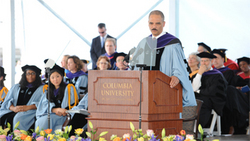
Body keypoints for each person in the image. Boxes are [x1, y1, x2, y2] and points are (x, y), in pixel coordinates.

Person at [135, 10, 196, 107]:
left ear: (163, 24)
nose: (154, 26)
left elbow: (180, 66)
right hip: (145, 92)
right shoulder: (143, 43)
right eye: (151, 23)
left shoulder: (172, 43)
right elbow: (135, 67)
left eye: (157, 23)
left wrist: (177, 76)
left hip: (165, 90)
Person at [211, 49, 249, 134]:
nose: (214, 60)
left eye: (216, 58)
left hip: (224, 98)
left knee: (229, 92)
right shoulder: (209, 72)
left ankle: (230, 125)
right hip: (212, 98)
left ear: (223, 60)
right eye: (212, 58)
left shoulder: (228, 72)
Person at [35, 63, 79, 132]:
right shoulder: (48, 90)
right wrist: (54, 110)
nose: (55, 79)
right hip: (51, 114)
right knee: (40, 121)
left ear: (62, 76)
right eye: (52, 77)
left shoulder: (69, 88)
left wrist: (62, 111)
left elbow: (70, 107)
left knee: (44, 121)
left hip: (63, 116)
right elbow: (42, 106)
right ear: (49, 79)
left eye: (57, 76)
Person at [0, 65, 43, 131]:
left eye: (33, 74)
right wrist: (13, 108)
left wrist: (27, 107)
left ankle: (19, 137)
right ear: (24, 75)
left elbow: (43, 104)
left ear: (37, 75)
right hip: (14, 110)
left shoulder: (42, 88)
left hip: (30, 111)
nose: (30, 76)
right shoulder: (16, 87)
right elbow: (7, 101)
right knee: (2, 116)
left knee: (18, 118)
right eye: (28, 73)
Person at [192, 52, 227, 127]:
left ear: (211, 62)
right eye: (202, 61)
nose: (203, 63)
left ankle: (197, 128)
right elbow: (193, 88)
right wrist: (200, 73)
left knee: (201, 101)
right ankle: (188, 127)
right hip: (201, 97)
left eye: (206, 61)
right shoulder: (197, 75)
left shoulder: (217, 75)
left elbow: (212, 91)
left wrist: (198, 91)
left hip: (213, 100)